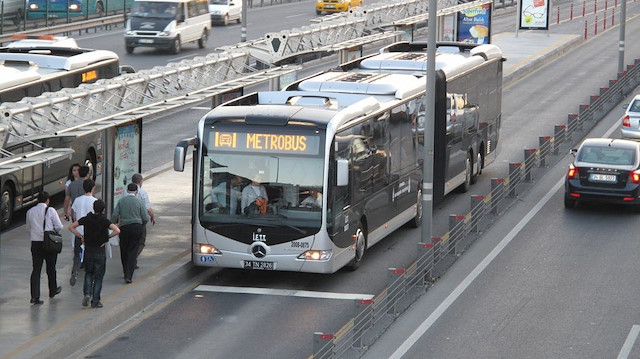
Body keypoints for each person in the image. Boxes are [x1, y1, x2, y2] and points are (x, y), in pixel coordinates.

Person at [68, 200, 119, 309]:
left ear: (93, 208)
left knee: (89, 273)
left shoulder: (87, 219)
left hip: (89, 251)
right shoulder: (105, 221)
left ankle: (87, 293)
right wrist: (106, 238)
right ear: (103, 210)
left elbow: (71, 227)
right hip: (100, 252)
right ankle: (95, 301)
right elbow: (117, 230)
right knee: (99, 277)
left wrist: (81, 236)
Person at [26, 192, 63, 305]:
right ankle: (52, 289)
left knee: (36, 269)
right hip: (48, 243)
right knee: (51, 267)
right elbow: (59, 226)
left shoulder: (30, 211)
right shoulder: (51, 210)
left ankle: (35, 296)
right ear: (47, 200)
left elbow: (28, 227)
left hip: (35, 243)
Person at [112, 183, 150, 284]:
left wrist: (114, 223)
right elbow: (146, 218)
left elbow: (115, 214)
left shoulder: (121, 201)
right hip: (136, 228)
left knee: (124, 250)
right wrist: (142, 225)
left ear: (127, 191)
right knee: (132, 251)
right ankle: (129, 275)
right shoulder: (139, 201)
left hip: (124, 228)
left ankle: (125, 271)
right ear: (136, 192)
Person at [65, 165, 91, 286]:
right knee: (89, 247)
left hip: (77, 220)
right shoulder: (88, 185)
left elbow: (67, 200)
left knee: (77, 248)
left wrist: (66, 212)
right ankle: (86, 264)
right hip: (88, 222)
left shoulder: (71, 185)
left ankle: (75, 268)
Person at [131, 173, 155, 268]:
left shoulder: (125, 192)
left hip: (127, 221)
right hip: (139, 221)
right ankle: (133, 258)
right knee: (141, 242)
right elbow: (148, 209)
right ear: (140, 182)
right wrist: (152, 217)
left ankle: (131, 258)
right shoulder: (142, 192)